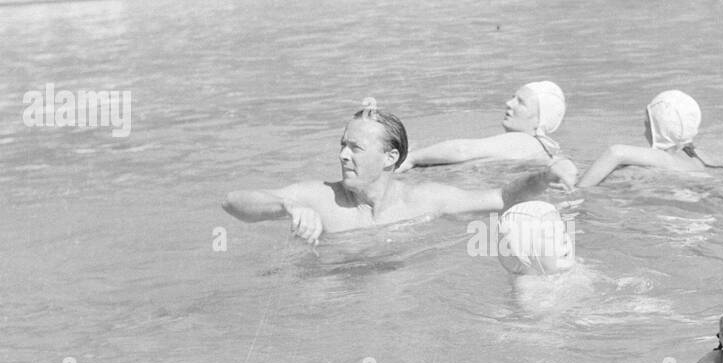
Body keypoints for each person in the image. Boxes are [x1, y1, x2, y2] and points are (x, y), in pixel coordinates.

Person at [221, 100, 563, 242]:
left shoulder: (424, 199)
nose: (342, 155)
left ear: (390, 157)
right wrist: (287, 207)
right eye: (342, 145)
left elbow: (501, 198)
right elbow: (232, 203)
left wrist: (545, 176)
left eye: (355, 148)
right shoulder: (321, 199)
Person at [575, 90, 723, 188]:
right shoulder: (701, 156)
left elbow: (615, 152)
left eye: (648, 125)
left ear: (660, 129)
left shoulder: (666, 158)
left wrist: (577, 190)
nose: (644, 132)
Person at [402, 81, 566, 168]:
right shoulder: (542, 149)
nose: (509, 103)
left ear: (539, 120)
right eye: (513, 97)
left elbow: (463, 150)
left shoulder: (526, 141)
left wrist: (411, 158)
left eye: (520, 102)